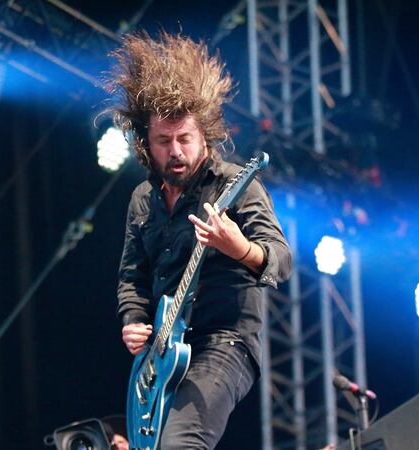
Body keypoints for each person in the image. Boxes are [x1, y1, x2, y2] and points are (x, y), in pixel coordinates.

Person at [109, 31, 292, 450]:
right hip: (162, 355)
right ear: (146, 144)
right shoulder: (142, 199)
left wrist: (238, 248)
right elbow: (131, 277)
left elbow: (281, 259)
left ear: (204, 136)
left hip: (226, 342)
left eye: (185, 138)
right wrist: (133, 322)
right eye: (164, 141)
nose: (176, 150)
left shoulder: (236, 185)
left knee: (181, 444)